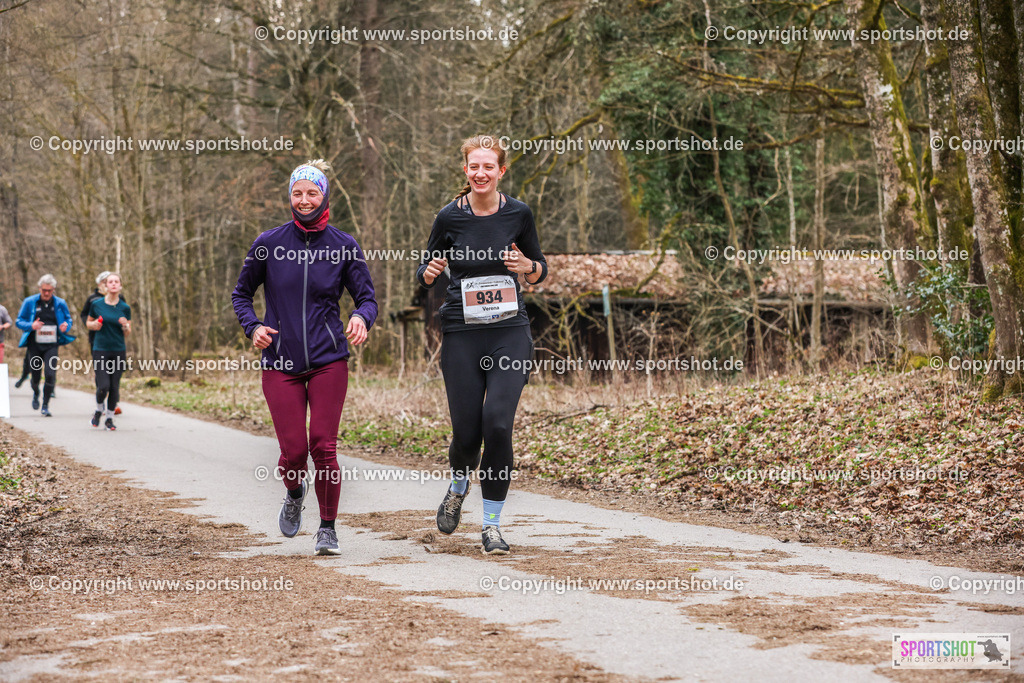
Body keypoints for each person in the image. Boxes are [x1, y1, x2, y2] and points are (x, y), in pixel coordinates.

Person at [233, 158, 377, 556]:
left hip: (329, 358)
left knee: (323, 446)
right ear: (290, 197)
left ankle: (327, 528)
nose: (304, 199)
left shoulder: (344, 245)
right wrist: (253, 326)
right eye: (297, 193)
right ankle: (295, 492)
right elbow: (241, 295)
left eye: (312, 192)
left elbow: (366, 297)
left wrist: (362, 317)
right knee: (293, 450)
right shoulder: (268, 244)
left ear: (324, 195)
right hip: (280, 360)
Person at [417, 134, 548, 555]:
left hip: (510, 330)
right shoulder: (448, 217)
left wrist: (527, 266)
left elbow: (539, 267)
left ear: (501, 171)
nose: (480, 173)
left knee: (497, 423)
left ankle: (491, 526)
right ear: (466, 170)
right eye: (474, 166)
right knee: (468, 434)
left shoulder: (519, 213)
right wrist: (431, 270)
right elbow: (423, 269)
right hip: (462, 333)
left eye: (488, 166)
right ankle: (459, 484)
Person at [15, 274, 75, 416]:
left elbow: (68, 319)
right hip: (34, 345)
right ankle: (36, 392)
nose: (46, 293)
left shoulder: (60, 303)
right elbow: (19, 321)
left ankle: (45, 405)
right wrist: (31, 325)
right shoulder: (30, 302)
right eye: (44, 290)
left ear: (53, 289)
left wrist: (65, 326)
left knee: (50, 374)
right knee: (35, 376)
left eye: (49, 290)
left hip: (52, 345)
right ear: (39, 288)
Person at [86, 272, 131, 431]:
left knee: (114, 387)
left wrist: (125, 326)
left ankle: (109, 419)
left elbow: (127, 331)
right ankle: (99, 410)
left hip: (118, 350)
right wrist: (94, 326)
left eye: (116, 282)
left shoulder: (125, 307)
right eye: (110, 282)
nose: (113, 284)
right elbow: (88, 323)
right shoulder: (97, 304)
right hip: (100, 349)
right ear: (105, 286)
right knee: (103, 385)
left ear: (120, 286)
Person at [81, 271, 124, 415]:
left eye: (113, 282)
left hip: (115, 343)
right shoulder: (93, 300)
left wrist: (124, 327)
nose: (110, 284)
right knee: (102, 375)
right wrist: (93, 324)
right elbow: (84, 316)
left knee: (114, 379)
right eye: (106, 282)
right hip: (97, 340)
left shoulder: (120, 299)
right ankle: (101, 398)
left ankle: (113, 404)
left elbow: (124, 318)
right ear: (101, 284)